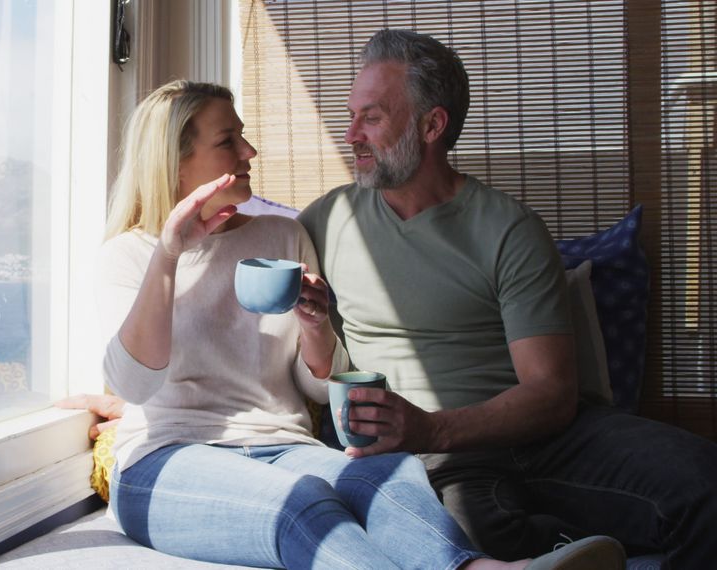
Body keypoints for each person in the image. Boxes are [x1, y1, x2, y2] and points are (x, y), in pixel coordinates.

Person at [92, 78, 623, 570]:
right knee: (303, 504)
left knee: (389, 473)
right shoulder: (131, 255)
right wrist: (170, 253)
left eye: (245, 137)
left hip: (284, 447)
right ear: (176, 160)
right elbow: (135, 383)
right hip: (167, 460)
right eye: (229, 141)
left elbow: (317, 389)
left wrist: (316, 323)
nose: (249, 152)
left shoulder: (282, 237)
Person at [296, 28, 717, 567]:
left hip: (538, 436)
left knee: (705, 484)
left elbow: (550, 393)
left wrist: (433, 425)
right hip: (427, 460)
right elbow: (300, 345)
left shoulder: (507, 228)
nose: (351, 133)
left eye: (371, 118)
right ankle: (558, 543)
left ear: (432, 125)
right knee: (460, 537)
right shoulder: (325, 223)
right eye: (351, 114)